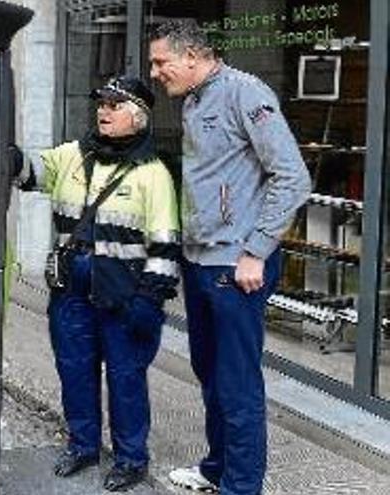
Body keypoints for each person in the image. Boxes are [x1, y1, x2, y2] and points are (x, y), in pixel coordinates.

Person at [148, 19, 312, 495]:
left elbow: (293, 177)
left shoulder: (246, 93)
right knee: (210, 374)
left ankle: (241, 486)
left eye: (162, 62)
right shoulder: (195, 100)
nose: (156, 72)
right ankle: (217, 468)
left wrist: (256, 251)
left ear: (193, 56)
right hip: (199, 260)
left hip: (237, 264)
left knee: (237, 384)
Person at [20, 76, 180, 492]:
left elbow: (165, 245)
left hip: (124, 296)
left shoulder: (153, 174)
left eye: (114, 104)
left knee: (126, 379)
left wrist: (150, 300)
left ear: (139, 117)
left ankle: (131, 459)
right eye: (101, 103)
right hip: (71, 290)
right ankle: (82, 446)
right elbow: (29, 170)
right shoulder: (72, 156)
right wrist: (5, 152)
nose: (103, 111)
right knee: (74, 371)